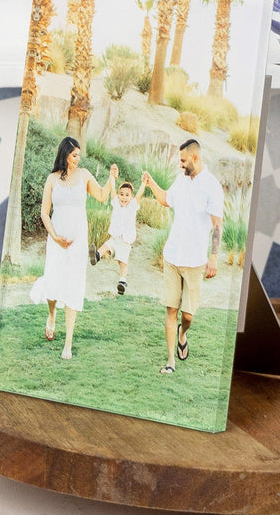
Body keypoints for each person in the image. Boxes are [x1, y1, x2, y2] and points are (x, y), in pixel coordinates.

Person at [29, 136, 116, 360]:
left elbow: (102, 195)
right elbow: (44, 213)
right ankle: (51, 315)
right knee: (53, 281)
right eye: (75, 154)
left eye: (79, 155)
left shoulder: (85, 175)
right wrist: (55, 237)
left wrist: (111, 179)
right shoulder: (52, 179)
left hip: (78, 241)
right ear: (65, 154)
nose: (78, 158)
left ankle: (67, 343)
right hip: (56, 240)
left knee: (74, 285)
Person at [143, 138, 223, 374]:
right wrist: (151, 184)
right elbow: (166, 200)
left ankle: (183, 332)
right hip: (172, 257)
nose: (180, 164)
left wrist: (214, 257)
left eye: (183, 160)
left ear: (195, 159)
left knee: (188, 314)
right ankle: (170, 362)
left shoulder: (212, 186)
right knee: (171, 310)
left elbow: (217, 226)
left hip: (195, 262)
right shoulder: (181, 180)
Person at [89, 176, 146, 295]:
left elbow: (139, 194)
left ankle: (122, 281)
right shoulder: (116, 203)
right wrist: (112, 177)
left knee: (123, 263)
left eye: (127, 195)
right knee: (105, 246)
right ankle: (96, 256)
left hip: (125, 242)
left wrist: (144, 183)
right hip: (114, 239)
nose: (124, 197)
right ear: (118, 196)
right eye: (122, 194)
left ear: (131, 197)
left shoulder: (133, 206)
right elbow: (113, 190)